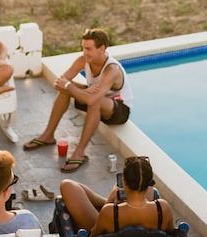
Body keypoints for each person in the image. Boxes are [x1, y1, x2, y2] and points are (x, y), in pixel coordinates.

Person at [23, 28, 133, 172]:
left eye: (89, 49)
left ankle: (79, 153)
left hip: (118, 110)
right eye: (83, 48)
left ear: (102, 48)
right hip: (96, 97)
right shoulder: (84, 60)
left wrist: (71, 87)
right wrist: (76, 88)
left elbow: (91, 98)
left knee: (92, 100)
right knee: (66, 91)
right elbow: (59, 82)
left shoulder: (111, 69)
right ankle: (48, 135)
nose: (84, 52)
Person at [59, 155, 174, 235]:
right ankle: (118, 201)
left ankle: (110, 201)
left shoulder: (109, 212)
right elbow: (169, 236)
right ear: (149, 184)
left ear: (124, 182)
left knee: (67, 185)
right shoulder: (163, 208)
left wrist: (109, 203)